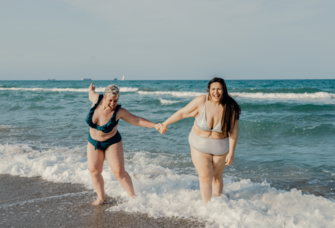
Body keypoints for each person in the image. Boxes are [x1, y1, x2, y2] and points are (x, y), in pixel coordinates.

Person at [158, 77, 241, 204]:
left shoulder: (231, 107)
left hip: (221, 148)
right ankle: (207, 207)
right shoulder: (201, 101)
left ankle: (219, 206)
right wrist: (165, 123)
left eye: (219, 89)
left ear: (224, 90)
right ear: (209, 90)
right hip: (199, 146)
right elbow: (182, 113)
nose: (216, 92)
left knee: (216, 178)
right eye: (213, 89)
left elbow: (233, 132)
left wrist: (231, 153)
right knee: (205, 177)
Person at [86, 82, 161, 205]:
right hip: (94, 142)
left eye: (115, 101)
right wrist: (91, 89)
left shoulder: (119, 112)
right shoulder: (96, 100)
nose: (112, 104)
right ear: (104, 97)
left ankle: (133, 197)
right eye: (110, 100)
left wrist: (155, 126)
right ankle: (101, 198)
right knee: (94, 171)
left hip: (112, 142)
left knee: (118, 171)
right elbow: (91, 94)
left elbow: (137, 120)